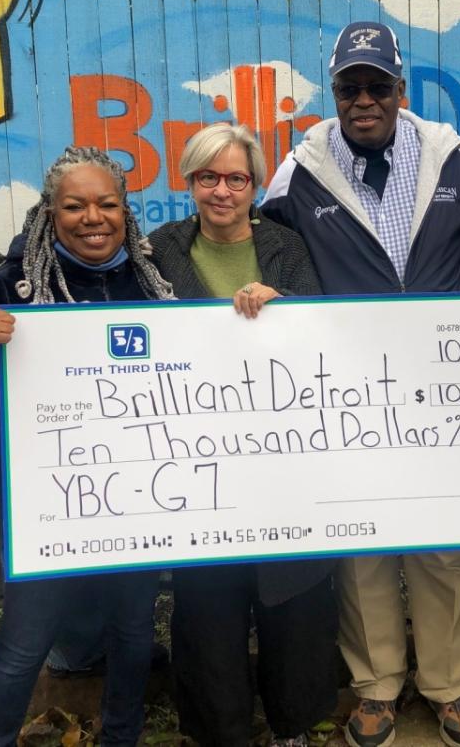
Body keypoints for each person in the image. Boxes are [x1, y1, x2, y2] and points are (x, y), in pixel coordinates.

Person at [261, 21, 460, 747]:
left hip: (440, 390)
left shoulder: (454, 157)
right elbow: (268, 249)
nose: (363, 99)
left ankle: (448, 684)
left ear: (402, 90)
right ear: (332, 92)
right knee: (363, 540)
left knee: (442, 543)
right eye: (349, 87)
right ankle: (375, 686)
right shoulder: (298, 172)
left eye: (378, 86)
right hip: (350, 391)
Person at [0, 146, 174, 746]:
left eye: (107, 203)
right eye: (75, 205)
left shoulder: (152, 282)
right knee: (24, 642)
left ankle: (122, 735)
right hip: (45, 506)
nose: (94, 217)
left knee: (135, 632)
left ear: (125, 211)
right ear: (49, 213)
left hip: (138, 496)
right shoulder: (9, 289)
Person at [148, 122, 337, 747]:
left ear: (255, 185)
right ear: (189, 181)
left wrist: (284, 310)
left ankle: (293, 725)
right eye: (208, 177)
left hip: (283, 459)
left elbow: (319, 339)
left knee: (294, 593)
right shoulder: (157, 249)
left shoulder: (286, 247)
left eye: (236, 178)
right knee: (208, 600)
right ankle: (218, 728)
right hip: (196, 460)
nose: (222, 191)